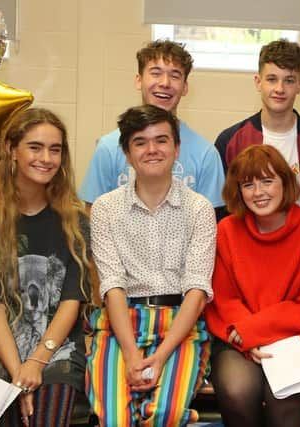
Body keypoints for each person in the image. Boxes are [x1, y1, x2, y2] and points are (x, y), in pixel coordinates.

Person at [85, 105, 216, 425]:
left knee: (164, 415)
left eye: (161, 140)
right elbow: (111, 284)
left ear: (176, 148)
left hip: (179, 326)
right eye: (140, 142)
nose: (152, 150)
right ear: (127, 154)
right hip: (121, 324)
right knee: (114, 419)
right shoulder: (105, 209)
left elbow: (197, 290)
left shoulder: (199, 209)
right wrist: (131, 354)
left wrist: (159, 357)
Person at [204, 144, 300, 427]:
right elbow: (225, 299)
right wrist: (249, 335)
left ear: (285, 182)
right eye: (248, 184)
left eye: (267, 181)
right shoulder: (227, 231)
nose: (259, 192)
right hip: (240, 337)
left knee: (284, 394)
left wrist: (255, 332)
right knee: (237, 390)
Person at [0, 108, 92, 426]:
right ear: (12, 150)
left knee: (47, 414)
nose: (47, 158)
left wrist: (37, 362)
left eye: (55, 149)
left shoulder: (74, 221)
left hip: (56, 345)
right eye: (35, 147)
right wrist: (19, 372)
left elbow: (71, 301)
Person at [80, 39, 225, 211]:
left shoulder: (206, 155)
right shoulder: (108, 148)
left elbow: (210, 221)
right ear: (139, 80)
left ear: (185, 87)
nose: (165, 83)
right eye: (156, 73)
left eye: (175, 75)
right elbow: (92, 216)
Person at [215, 39, 300, 210]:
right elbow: (223, 206)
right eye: (271, 79)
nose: (280, 89)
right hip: (248, 236)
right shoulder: (231, 141)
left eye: (289, 80)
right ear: (258, 82)